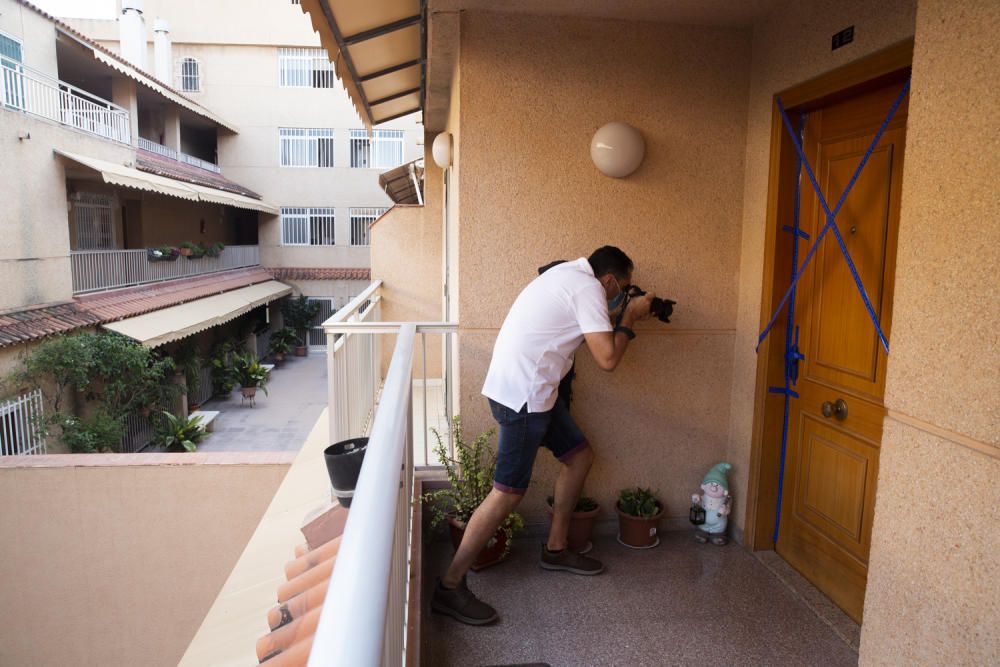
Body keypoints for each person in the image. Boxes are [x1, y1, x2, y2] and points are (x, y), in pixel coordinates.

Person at [431, 246, 655, 625]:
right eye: (623, 289)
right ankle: (450, 587)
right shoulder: (587, 290)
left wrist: (617, 313)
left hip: (531, 393)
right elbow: (607, 359)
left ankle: (555, 548)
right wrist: (630, 317)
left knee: (579, 456)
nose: (620, 295)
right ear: (610, 280)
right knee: (507, 494)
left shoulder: (565, 274)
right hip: (524, 399)